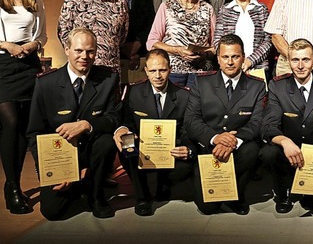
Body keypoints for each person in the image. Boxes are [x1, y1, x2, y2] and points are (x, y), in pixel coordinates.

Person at [27, 28, 120, 220]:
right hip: (60, 156)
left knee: (106, 142)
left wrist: (87, 124)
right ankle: (80, 185)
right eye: (78, 50)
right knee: (52, 212)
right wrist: (55, 170)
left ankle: (96, 195)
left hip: (92, 152)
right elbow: (35, 132)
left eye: (90, 51)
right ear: (67, 49)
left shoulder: (108, 79)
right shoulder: (46, 84)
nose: (84, 56)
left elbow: (114, 118)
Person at [260, 39, 313, 217]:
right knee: (268, 152)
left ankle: (310, 190)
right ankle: (283, 191)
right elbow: (268, 126)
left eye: (305, 60)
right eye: (295, 60)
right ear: (288, 62)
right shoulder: (277, 86)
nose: (300, 66)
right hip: (287, 154)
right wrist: (285, 141)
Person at [184, 34, 266, 215]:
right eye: (225, 57)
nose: (230, 62)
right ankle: (210, 185)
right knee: (207, 208)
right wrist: (215, 138)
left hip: (239, 147)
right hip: (208, 148)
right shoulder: (201, 82)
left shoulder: (257, 86)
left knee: (252, 150)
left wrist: (233, 141)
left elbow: (257, 122)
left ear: (243, 57)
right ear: (218, 59)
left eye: (235, 56)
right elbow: (191, 119)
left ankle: (236, 196)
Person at [113, 49, 194, 216]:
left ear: (170, 69)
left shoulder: (184, 96)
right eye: (153, 70)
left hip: (172, 153)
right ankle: (142, 198)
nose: (158, 75)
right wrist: (123, 129)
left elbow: (188, 129)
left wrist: (187, 148)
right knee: (127, 144)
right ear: (146, 71)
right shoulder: (133, 92)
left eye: (162, 70)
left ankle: (164, 183)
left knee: (189, 159)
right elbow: (126, 120)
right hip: (143, 150)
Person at [0, 0, 47, 214]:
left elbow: (42, 36)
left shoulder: (36, 0)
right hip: (3, 64)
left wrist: (32, 45)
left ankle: (15, 184)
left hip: (28, 64)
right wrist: (6, 45)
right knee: (11, 124)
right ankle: (13, 186)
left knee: (25, 128)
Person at [146, 0, 216, 89]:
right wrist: (177, 50)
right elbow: (151, 42)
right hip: (174, 70)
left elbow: (216, 45)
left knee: (198, 106)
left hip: (201, 71)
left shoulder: (208, 8)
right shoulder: (167, 6)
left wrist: (204, 54)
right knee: (175, 106)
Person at [213, 0, 272, 72]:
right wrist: (233, 61)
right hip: (231, 68)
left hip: (258, 68)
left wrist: (250, 61)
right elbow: (218, 41)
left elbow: (268, 40)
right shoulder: (225, 10)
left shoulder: (261, 8)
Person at [113, 0, 156, 85]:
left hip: (140, 54)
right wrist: (124, 50)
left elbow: (150, 25)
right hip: (116, 55)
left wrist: (137, 45)